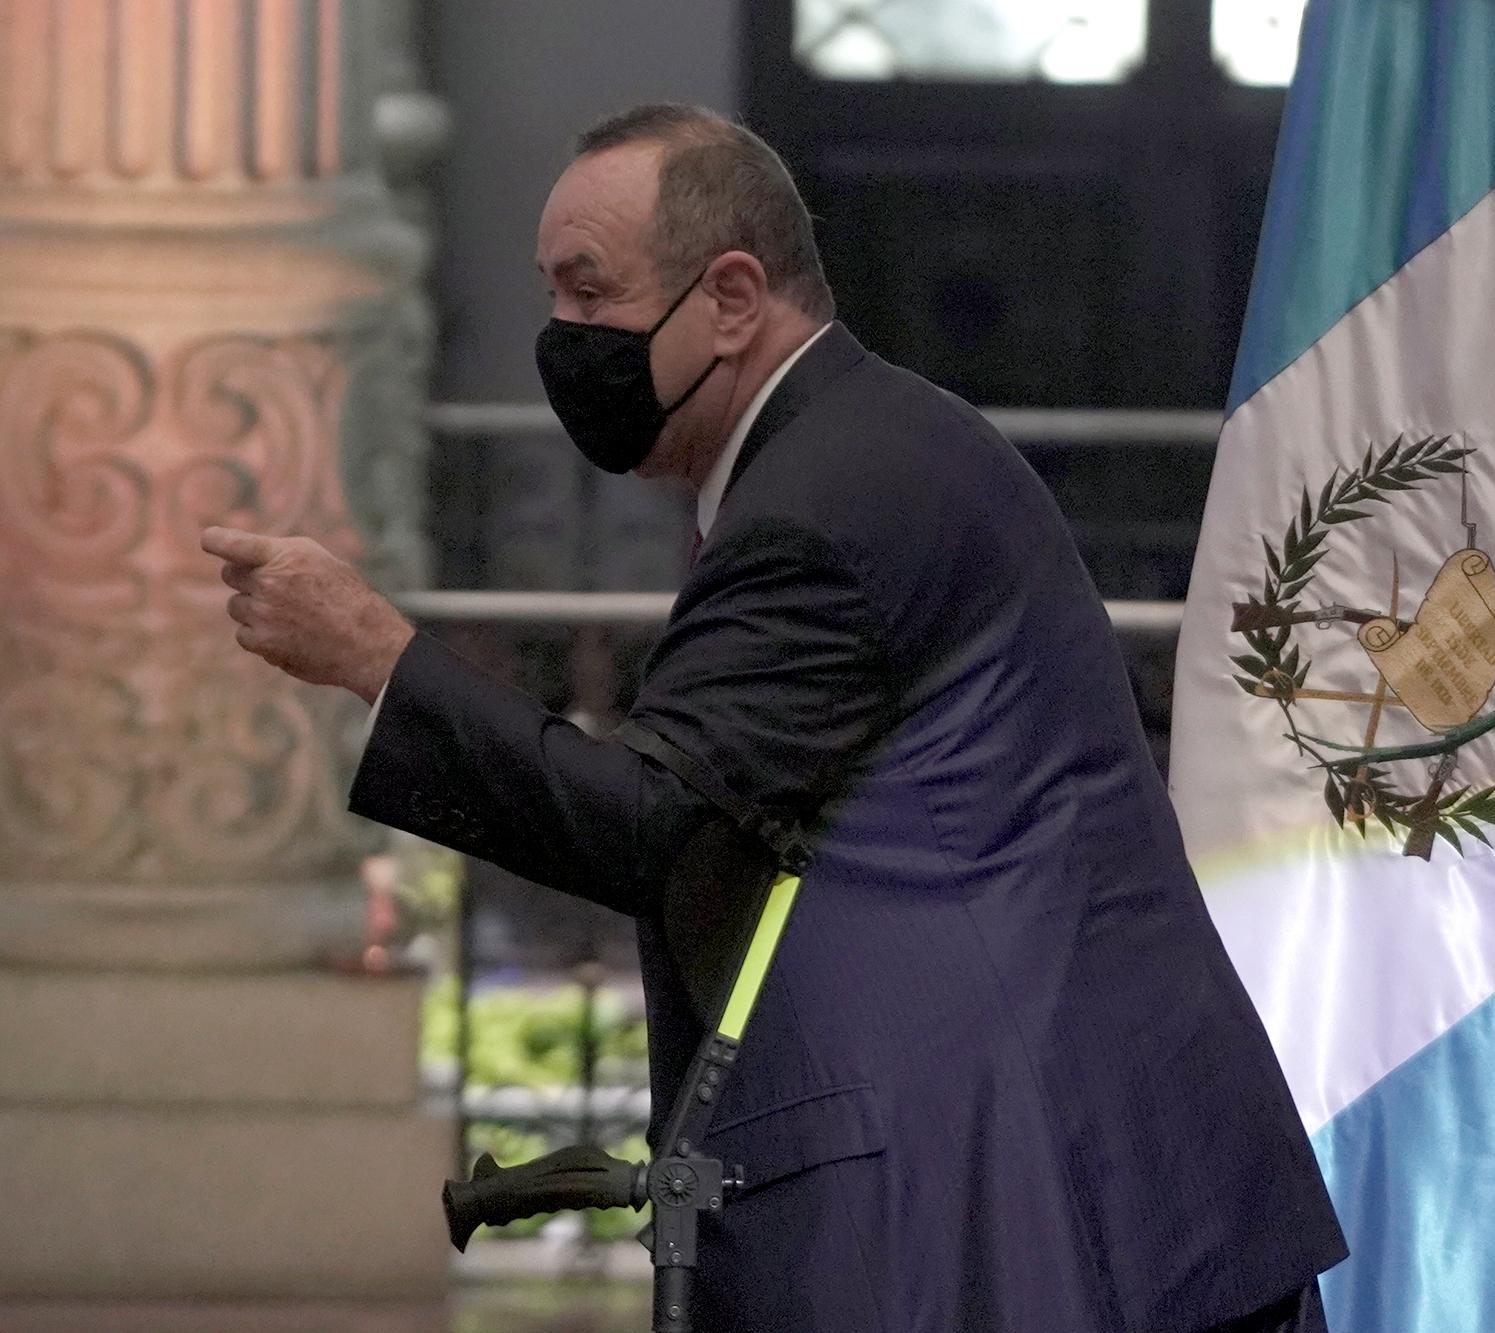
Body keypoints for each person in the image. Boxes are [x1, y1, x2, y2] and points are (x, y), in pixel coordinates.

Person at [201, 103, 1344, 1332]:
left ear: (733, 299)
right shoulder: (862, 441)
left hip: (1019, 1190)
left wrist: (377, 658)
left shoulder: (820, 504)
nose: (563, 334)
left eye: (591, 291)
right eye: (552, 294)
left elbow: (645, 821)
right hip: (1090, 1169)